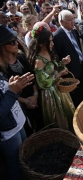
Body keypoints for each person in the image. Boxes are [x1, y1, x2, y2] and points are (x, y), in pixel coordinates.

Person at [0, 22, 35, 180]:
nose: (17, 44)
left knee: (24, 157)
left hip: (18, 122)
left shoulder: (14, 61)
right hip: (8, 132)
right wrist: (14, 93)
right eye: (12, 42)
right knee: (15, 165)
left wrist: (19, 90)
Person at [27, 25, 75, 131]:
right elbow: (43, 83)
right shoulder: (39, 61)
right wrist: (59, 75)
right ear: (41, 44)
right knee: (58, 118)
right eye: (50, 41)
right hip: (50, 94)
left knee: (67, 114)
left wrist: (62, 63)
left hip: (58, 89)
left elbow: (53, 69)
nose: (53, 43)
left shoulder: (48, 53)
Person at [53, 10, 83, 108]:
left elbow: (78, 49)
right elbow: (56, 57)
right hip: (69, 73)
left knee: (81, 94)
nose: (73, 21)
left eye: (73, 19)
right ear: (61, 22)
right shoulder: (57, 36)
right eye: (69, 20)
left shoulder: (74, 31)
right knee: (74, 98)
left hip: (80, 68)